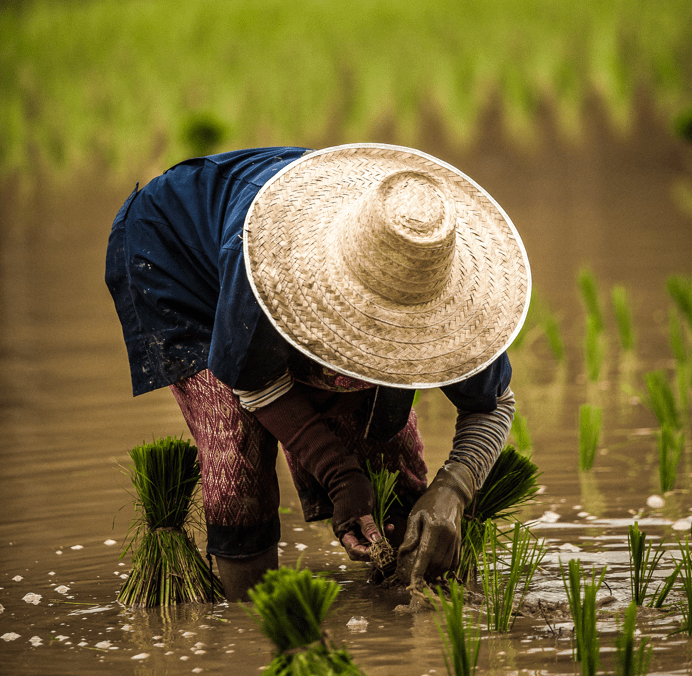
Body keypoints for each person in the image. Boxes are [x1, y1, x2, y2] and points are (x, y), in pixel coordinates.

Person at [105, 143, 531, 601]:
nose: (386, 338)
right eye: (373, 322)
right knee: (236, 451)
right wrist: (337, 475)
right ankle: (256, 622)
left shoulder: (448, 289)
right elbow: (251, 379)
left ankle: (398, 597)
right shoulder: (268, 266)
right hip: (178, 256)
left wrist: (453, 490)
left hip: (298, 252)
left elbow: (493, 404)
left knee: (383, 446)